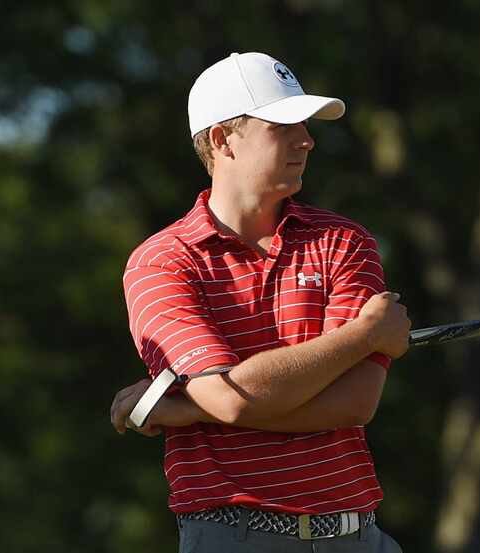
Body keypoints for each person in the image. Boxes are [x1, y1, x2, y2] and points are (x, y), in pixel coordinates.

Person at [109, 52, 410, 553]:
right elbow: (231, 399)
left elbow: (356, 402)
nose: (306, 139)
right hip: (233, 536)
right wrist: (363, 336)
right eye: (283, 125)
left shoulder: (344, 241)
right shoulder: (161, 263)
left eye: (306, 125)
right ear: (223, 140)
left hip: (359, 536)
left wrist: (191, 407)